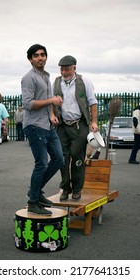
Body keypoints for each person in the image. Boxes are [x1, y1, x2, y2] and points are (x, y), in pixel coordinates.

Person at [21, 43, 64, 215]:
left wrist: (52, 113)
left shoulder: (46, 76)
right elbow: (28, 104)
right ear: (31, 59)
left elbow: (48, 99)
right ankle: (33, 202)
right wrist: (52, 101)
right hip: (34, 126)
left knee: (59, 159)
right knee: (41, 164)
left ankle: (36, 191)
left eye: (43, 55)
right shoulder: (29, 78)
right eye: (36, 55)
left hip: (47, 124)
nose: (40, 58)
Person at [51, 55, 98, 201]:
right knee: (62, 158)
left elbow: (92, 102)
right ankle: (65, 188)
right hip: (62, 125)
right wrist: (52, 114)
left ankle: (77, 189)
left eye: (67, 69)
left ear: (74, 68)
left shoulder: (84, 81)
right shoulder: (57, 82)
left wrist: (94, 122)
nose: (64, 72)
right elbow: (53, 101)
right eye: (62, 69)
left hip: (80, 125)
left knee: (76, 155)